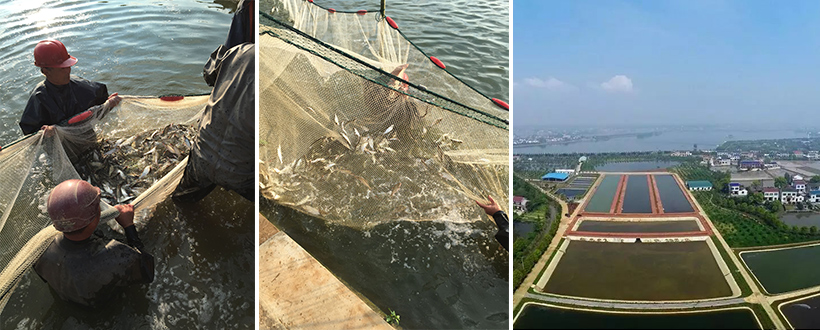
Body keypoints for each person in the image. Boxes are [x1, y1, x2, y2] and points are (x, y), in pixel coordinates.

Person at [33, 179, 154, 308]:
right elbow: (146, 272)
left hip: (67, 301)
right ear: (94, 220)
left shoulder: (39, 248)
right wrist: (129, 226)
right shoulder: (114, 254)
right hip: (105, 306)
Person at [172, 42, 254, 202]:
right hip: (241, 174)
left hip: (202, 155)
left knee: (182, 201)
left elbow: (208, 75)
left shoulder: (239, 50)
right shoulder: (279, 77)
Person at [19, 39, 121, 135]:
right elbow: (30, 132)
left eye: (68, 66)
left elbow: (100, 107)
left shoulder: (81, 86)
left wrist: (109, 104)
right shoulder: (39, 98)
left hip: (87, 137)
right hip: (60, 147)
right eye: (62, 69)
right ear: (46, 71)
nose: (68, 71)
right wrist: (44, 132)